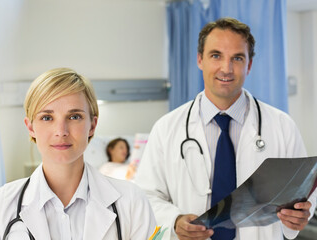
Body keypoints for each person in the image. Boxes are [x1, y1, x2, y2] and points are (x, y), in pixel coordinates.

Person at [135, 17, 317, 240]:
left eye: (237, 58)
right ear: (200, 60)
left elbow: (303, 194)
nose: (226, 68)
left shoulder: (282, 126)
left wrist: (298, 217)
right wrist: (175, 221)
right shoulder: (166, 128)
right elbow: (146, 196)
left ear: (249, 65)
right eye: (216, 56)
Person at [0, 68, 156, 239]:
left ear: (92, 126)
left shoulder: (132, 202)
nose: (61, 131)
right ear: (30, 127)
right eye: (47, 118)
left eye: (74, 116)